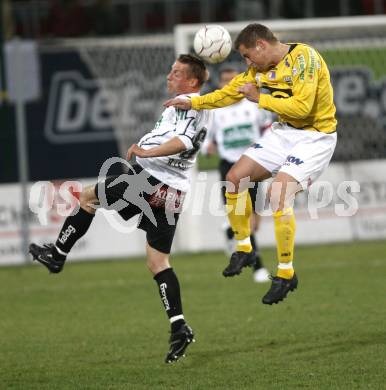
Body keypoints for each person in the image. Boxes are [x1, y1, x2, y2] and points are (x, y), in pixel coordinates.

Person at [29, 54, 211, 363]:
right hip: (174, 191)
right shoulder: (193, 105)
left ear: (192, 81)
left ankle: (57, 256)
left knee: (88, 197)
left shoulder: (189, 104)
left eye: (176, 72)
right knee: (158, 262)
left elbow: (182, 142)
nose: (169, 75)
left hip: (151, 182)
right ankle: (179, 327)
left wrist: (146, 150)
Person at [165, 24, 337, 305]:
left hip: (315, 137)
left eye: (247, 56)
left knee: (278, 194)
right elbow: (228, 94)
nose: (247, 63)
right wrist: (193, 103)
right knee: (234, 177)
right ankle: (244, 248)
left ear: (260, 45)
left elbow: (303, 108)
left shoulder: (305, 58)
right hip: (284, 132)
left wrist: (260, 98)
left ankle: (285, 273)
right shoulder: (259, 70)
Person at [203, 66, 272, 283]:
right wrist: (208, 148)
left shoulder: (255, 106)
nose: (229, 84)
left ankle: (229, 229)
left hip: (253, 165)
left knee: (254, 224)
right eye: (225, 81)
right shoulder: (215, 111)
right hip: (229, 168)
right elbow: (205, 139)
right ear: (221, 85)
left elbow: (268, 128)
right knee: (243, 217)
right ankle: (258, 266)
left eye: (233, 80)